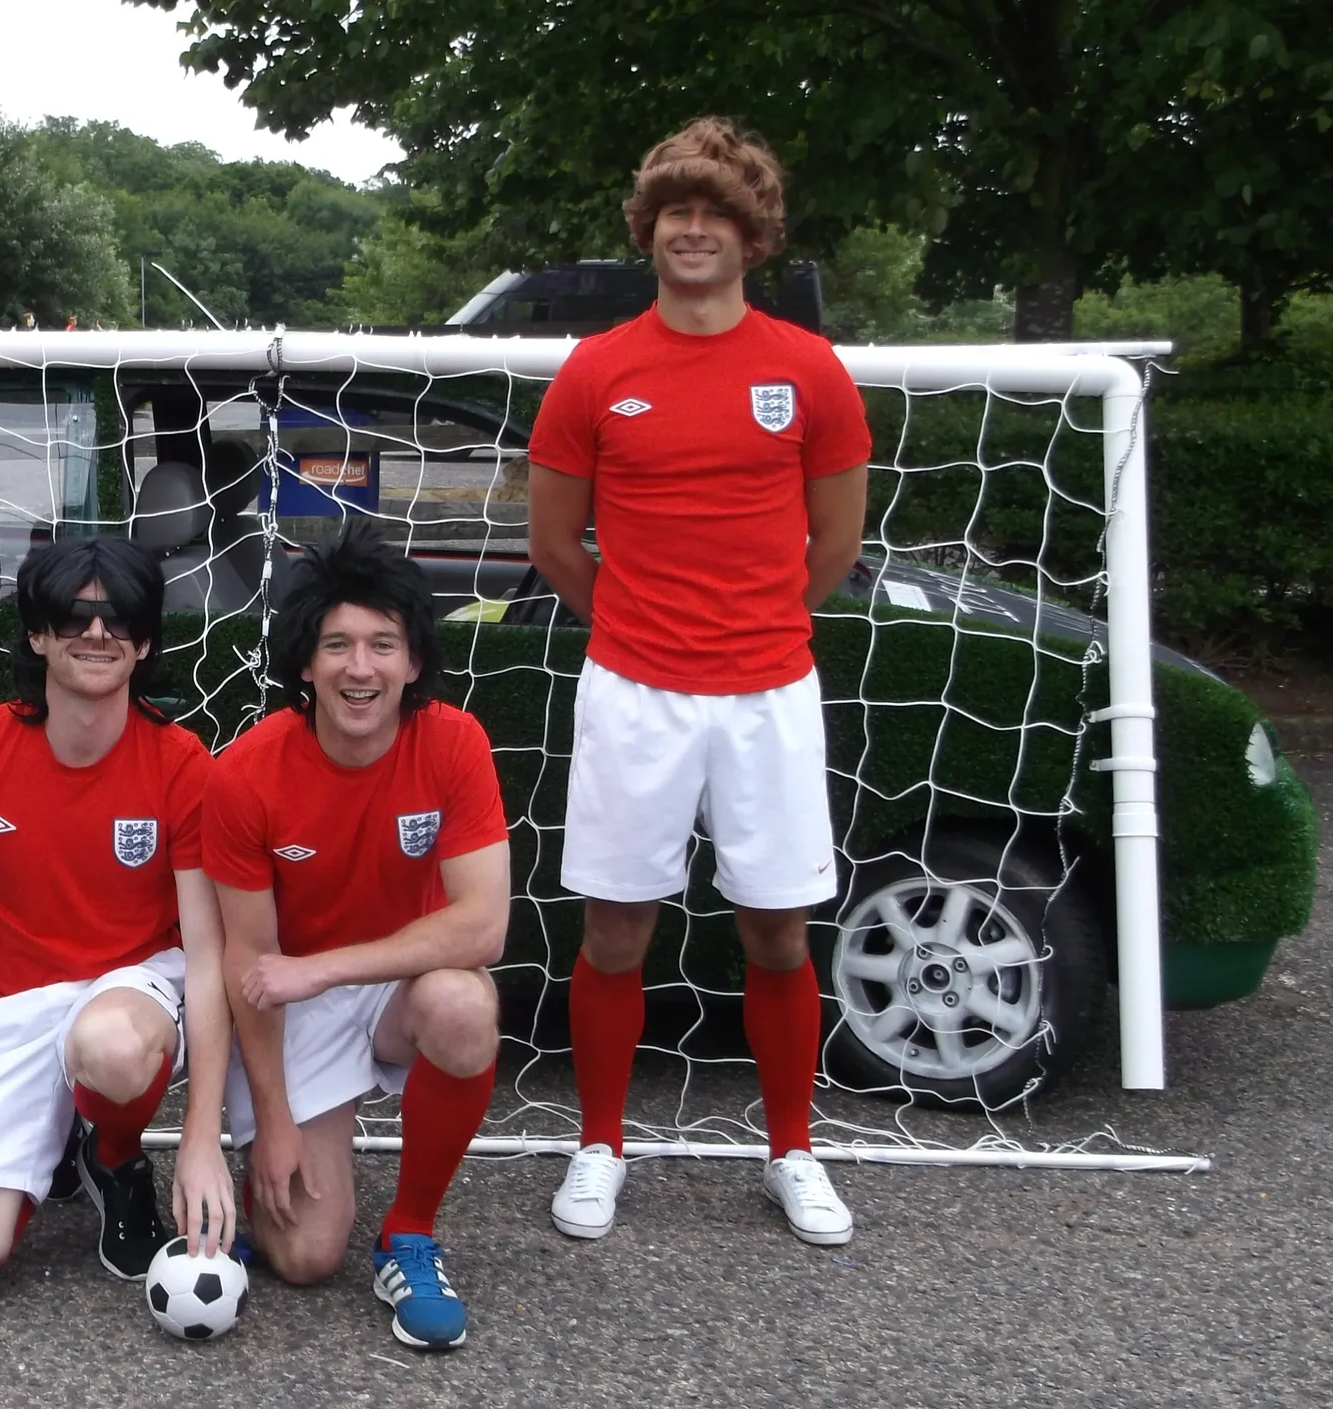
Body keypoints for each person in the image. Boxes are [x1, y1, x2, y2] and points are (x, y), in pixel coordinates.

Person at [524, 117, 873, 1246]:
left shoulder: (806, 369)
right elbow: (553, 542)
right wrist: (640, 624)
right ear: (649, 226)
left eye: (715, 212)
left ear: (752, 234)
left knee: (776, 930)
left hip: (768, 691)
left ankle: (791, 1149)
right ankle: (599, 1145)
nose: (692, 227)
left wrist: (748, 627)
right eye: (675, 209)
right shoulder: (598, 369)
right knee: (616, 927)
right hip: (634, 690)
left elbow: (831, 546)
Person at [205, 520, 510, 1351]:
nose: (360, 666)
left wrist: (327, 968)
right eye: (337, 644)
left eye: (384, 642)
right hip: (288, 1002)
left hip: (383, 983)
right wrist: (272, 1119)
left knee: (461, 1004)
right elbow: (248, 965)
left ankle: (409, 1231)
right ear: (305, 662)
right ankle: (252, 1167)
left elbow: (482, 924)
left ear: (414, 661)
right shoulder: (245, 774)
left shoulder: (454, 742)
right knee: (304, 1257)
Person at [0, 537, 232, 1302]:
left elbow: (210, 952)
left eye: (118, 616)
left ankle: (114, 1156)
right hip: (7, 1004)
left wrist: (200, 1136)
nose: (96, 632)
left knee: (109, 1046)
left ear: (145, 640)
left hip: (131, 993)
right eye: (75, 615)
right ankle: (49, 1140)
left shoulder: (183, 764)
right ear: (38, 632)